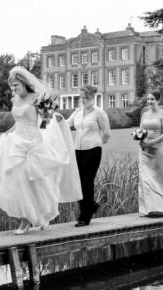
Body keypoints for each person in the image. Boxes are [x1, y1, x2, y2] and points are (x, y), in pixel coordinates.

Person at [0, 66, 82, 235]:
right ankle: (30, 218)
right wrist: (9, 132)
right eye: (12, 86)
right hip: (17, 143)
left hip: (33, 143)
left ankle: (34, 218)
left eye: (16, 85)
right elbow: (18, 120)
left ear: (24, 83)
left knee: (37, 182)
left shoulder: (37, 98)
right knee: (20, 183)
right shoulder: (15, 100)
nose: (13, 89)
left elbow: (45, 120)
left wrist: (48, 121)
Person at [67, 85, 111, 227]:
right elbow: (66, 124)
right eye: (81, 98)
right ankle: (91, 206)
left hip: (92, 151)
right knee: (79, 183)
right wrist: (51, 117)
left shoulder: (99, 113)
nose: (83, 100)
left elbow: (106, 133)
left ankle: (85, 217)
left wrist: (97, 144)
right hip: (77, 151)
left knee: (87, 182)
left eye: (86, 98)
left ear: (93, 97)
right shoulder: (78, 112)